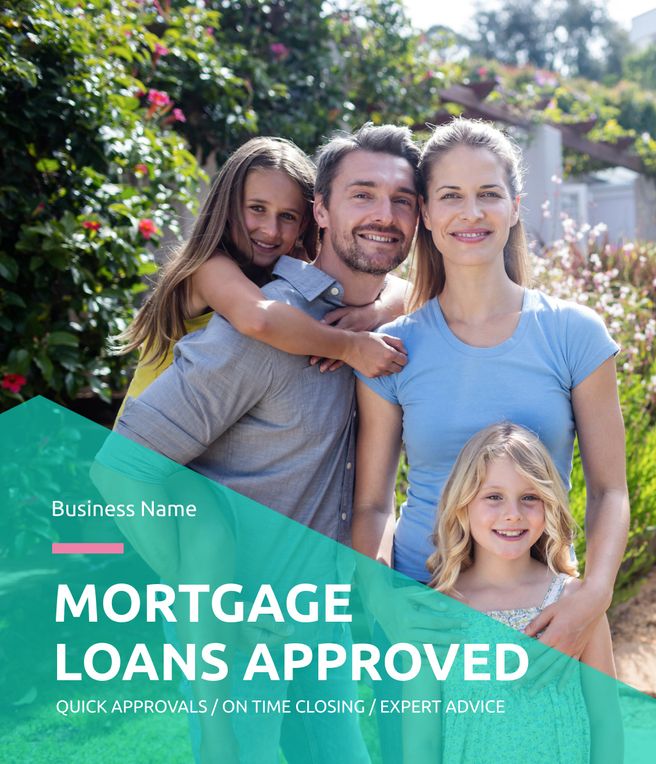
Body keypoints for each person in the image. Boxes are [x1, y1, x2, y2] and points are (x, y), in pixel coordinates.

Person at [94, 124, 422, 763]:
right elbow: (120, 472)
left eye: (402, 199)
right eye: (362, 195)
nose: (384, 215)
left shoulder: (391, 324)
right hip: (242, 635)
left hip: (319, 623)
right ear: (322, 212)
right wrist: (203, 601)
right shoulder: (259, 331)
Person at [353, 119, 630, 663]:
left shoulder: (574, 334)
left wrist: (593, 595)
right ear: (426, 214)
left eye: (488, 195)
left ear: (515, 206)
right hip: (424, 612)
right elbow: (371, 505)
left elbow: (610, 492)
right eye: (451, 196)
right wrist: (384, 600)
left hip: (545, 612)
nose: (471, 213)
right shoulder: (392, 349)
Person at [114, 135, 408, 422]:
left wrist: (375, 311)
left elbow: (405, 290)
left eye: (288, 216)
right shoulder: (207, 268)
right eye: (257, 209)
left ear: (308, 220)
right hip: (145, 454)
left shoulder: (286, 270)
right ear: (228, 208)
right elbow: (258, 319)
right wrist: (350, 346)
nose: (271, 230)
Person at [406, 422, 620, 763]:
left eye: (529, 497)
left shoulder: (576, 604)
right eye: (493, 496)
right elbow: (422, 743)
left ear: (548, 504)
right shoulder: (435, 614)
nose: (512, 514)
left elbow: (606, 723)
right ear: (462, 504)